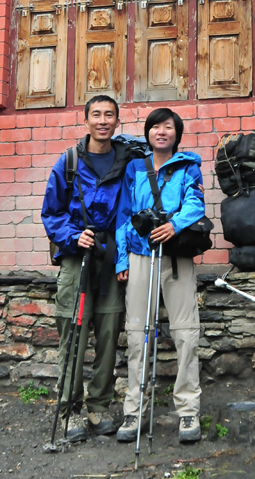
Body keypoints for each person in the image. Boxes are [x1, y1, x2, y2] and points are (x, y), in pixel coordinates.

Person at [42, 95, 133, 442]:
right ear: (86, 120)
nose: (103, 120)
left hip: (111, 258)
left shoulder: (127, 161)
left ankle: (98, 407)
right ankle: (69, 410)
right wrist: (71, 235)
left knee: (108, 333)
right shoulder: (68, 161)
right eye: (96, 114)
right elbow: (51, 212)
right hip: (75, 257)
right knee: (74, 335)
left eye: (109, 115)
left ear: (117, 121)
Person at [115, 108, 205, 444]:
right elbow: (124, 216)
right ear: (148, 133)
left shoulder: (188, 166)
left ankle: (188, 411)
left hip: (177, 256)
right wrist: (121, 259)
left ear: (177, 134)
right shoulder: (135, 168)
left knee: (186, 334)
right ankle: (134, 410)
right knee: (138, 334)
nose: (162, 132)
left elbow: (196, 203)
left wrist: (174, 225)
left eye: (168, 127)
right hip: (140, 256)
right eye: (155, 127)